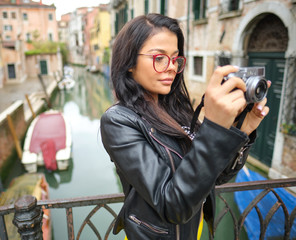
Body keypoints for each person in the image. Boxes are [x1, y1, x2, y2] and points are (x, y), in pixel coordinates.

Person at [100, 13, 270, 240]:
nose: (171, 67)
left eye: (175, 58)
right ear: (129, 62)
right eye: (159, 58)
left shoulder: (177, 109)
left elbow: (214, 177)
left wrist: (241, 131)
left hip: (193, 231)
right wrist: (214, 128)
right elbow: (173, 205)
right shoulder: (118, 121)